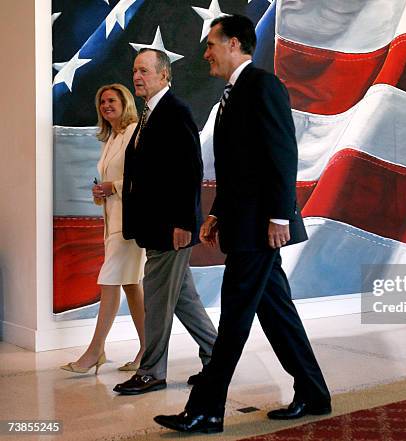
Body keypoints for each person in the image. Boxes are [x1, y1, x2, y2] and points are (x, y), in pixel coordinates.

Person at [154, 15, 331, 433]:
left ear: (234, 43)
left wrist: (278, 216)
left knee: (234, 318)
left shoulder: (263, 86)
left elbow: (282, 154)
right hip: (244, 222)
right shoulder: (232, 95)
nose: (206, 54)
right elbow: (240, 167)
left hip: (260, 227)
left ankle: (207, 409)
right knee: (277, 314)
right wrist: (217, 212)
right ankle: (314, 393)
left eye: (211, 45)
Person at [112, 48, 217, 395]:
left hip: (171, 228)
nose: (137, 76)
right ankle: (218, 359)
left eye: (144, 70)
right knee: (183, 299)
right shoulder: (147, 115)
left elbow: (190, 172)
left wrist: (184, 223)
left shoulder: (175, 112)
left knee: (156, 300)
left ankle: (152, 371)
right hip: (153, 226)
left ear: (164, 75)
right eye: (135, 71)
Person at [60, 84, 146, 375]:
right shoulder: (111, 139)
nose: (106, 105)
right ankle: (148, 351)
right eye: (102, 102)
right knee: (133, 288)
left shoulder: (135, 131)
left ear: (125, 102)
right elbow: (111, 182)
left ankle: (95, 351)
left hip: (131, 226)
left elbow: (147, 179)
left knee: (109, 282)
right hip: (112, 223)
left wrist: (116, 188)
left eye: (112, 100)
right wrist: (101, 194)